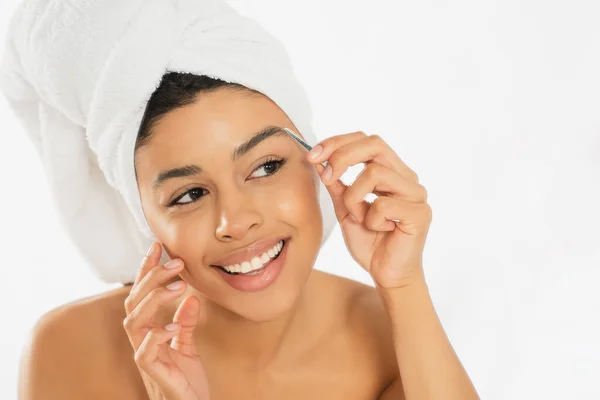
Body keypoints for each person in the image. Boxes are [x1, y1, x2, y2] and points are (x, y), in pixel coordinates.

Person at [1, 0, 479, 399]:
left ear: (316, 158)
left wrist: (403, 287)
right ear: (143, 214)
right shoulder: (70, 352)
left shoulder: (391, 337)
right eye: (189, 194)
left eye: (266, 167)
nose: (236, 221)